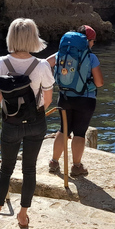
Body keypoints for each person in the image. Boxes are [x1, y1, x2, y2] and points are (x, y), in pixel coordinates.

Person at [0, 18, 54, 229]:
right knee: (29, 169)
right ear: (34, 38)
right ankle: (23, 216)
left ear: (10, 37)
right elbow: (47, 100)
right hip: (36, 122)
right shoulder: (41, 66)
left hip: (10, 122)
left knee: (5, 169)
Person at [46, 25, 104, 177]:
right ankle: (76, 167)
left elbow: (44, 64)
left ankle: (54, 162)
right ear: (88, 41)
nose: (92, 44)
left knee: (63, 130)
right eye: (93, 41)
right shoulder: (91, 57)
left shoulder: (60, 54)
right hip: (85, 100)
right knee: (79, 133)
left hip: (64, 98)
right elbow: (99, 83)